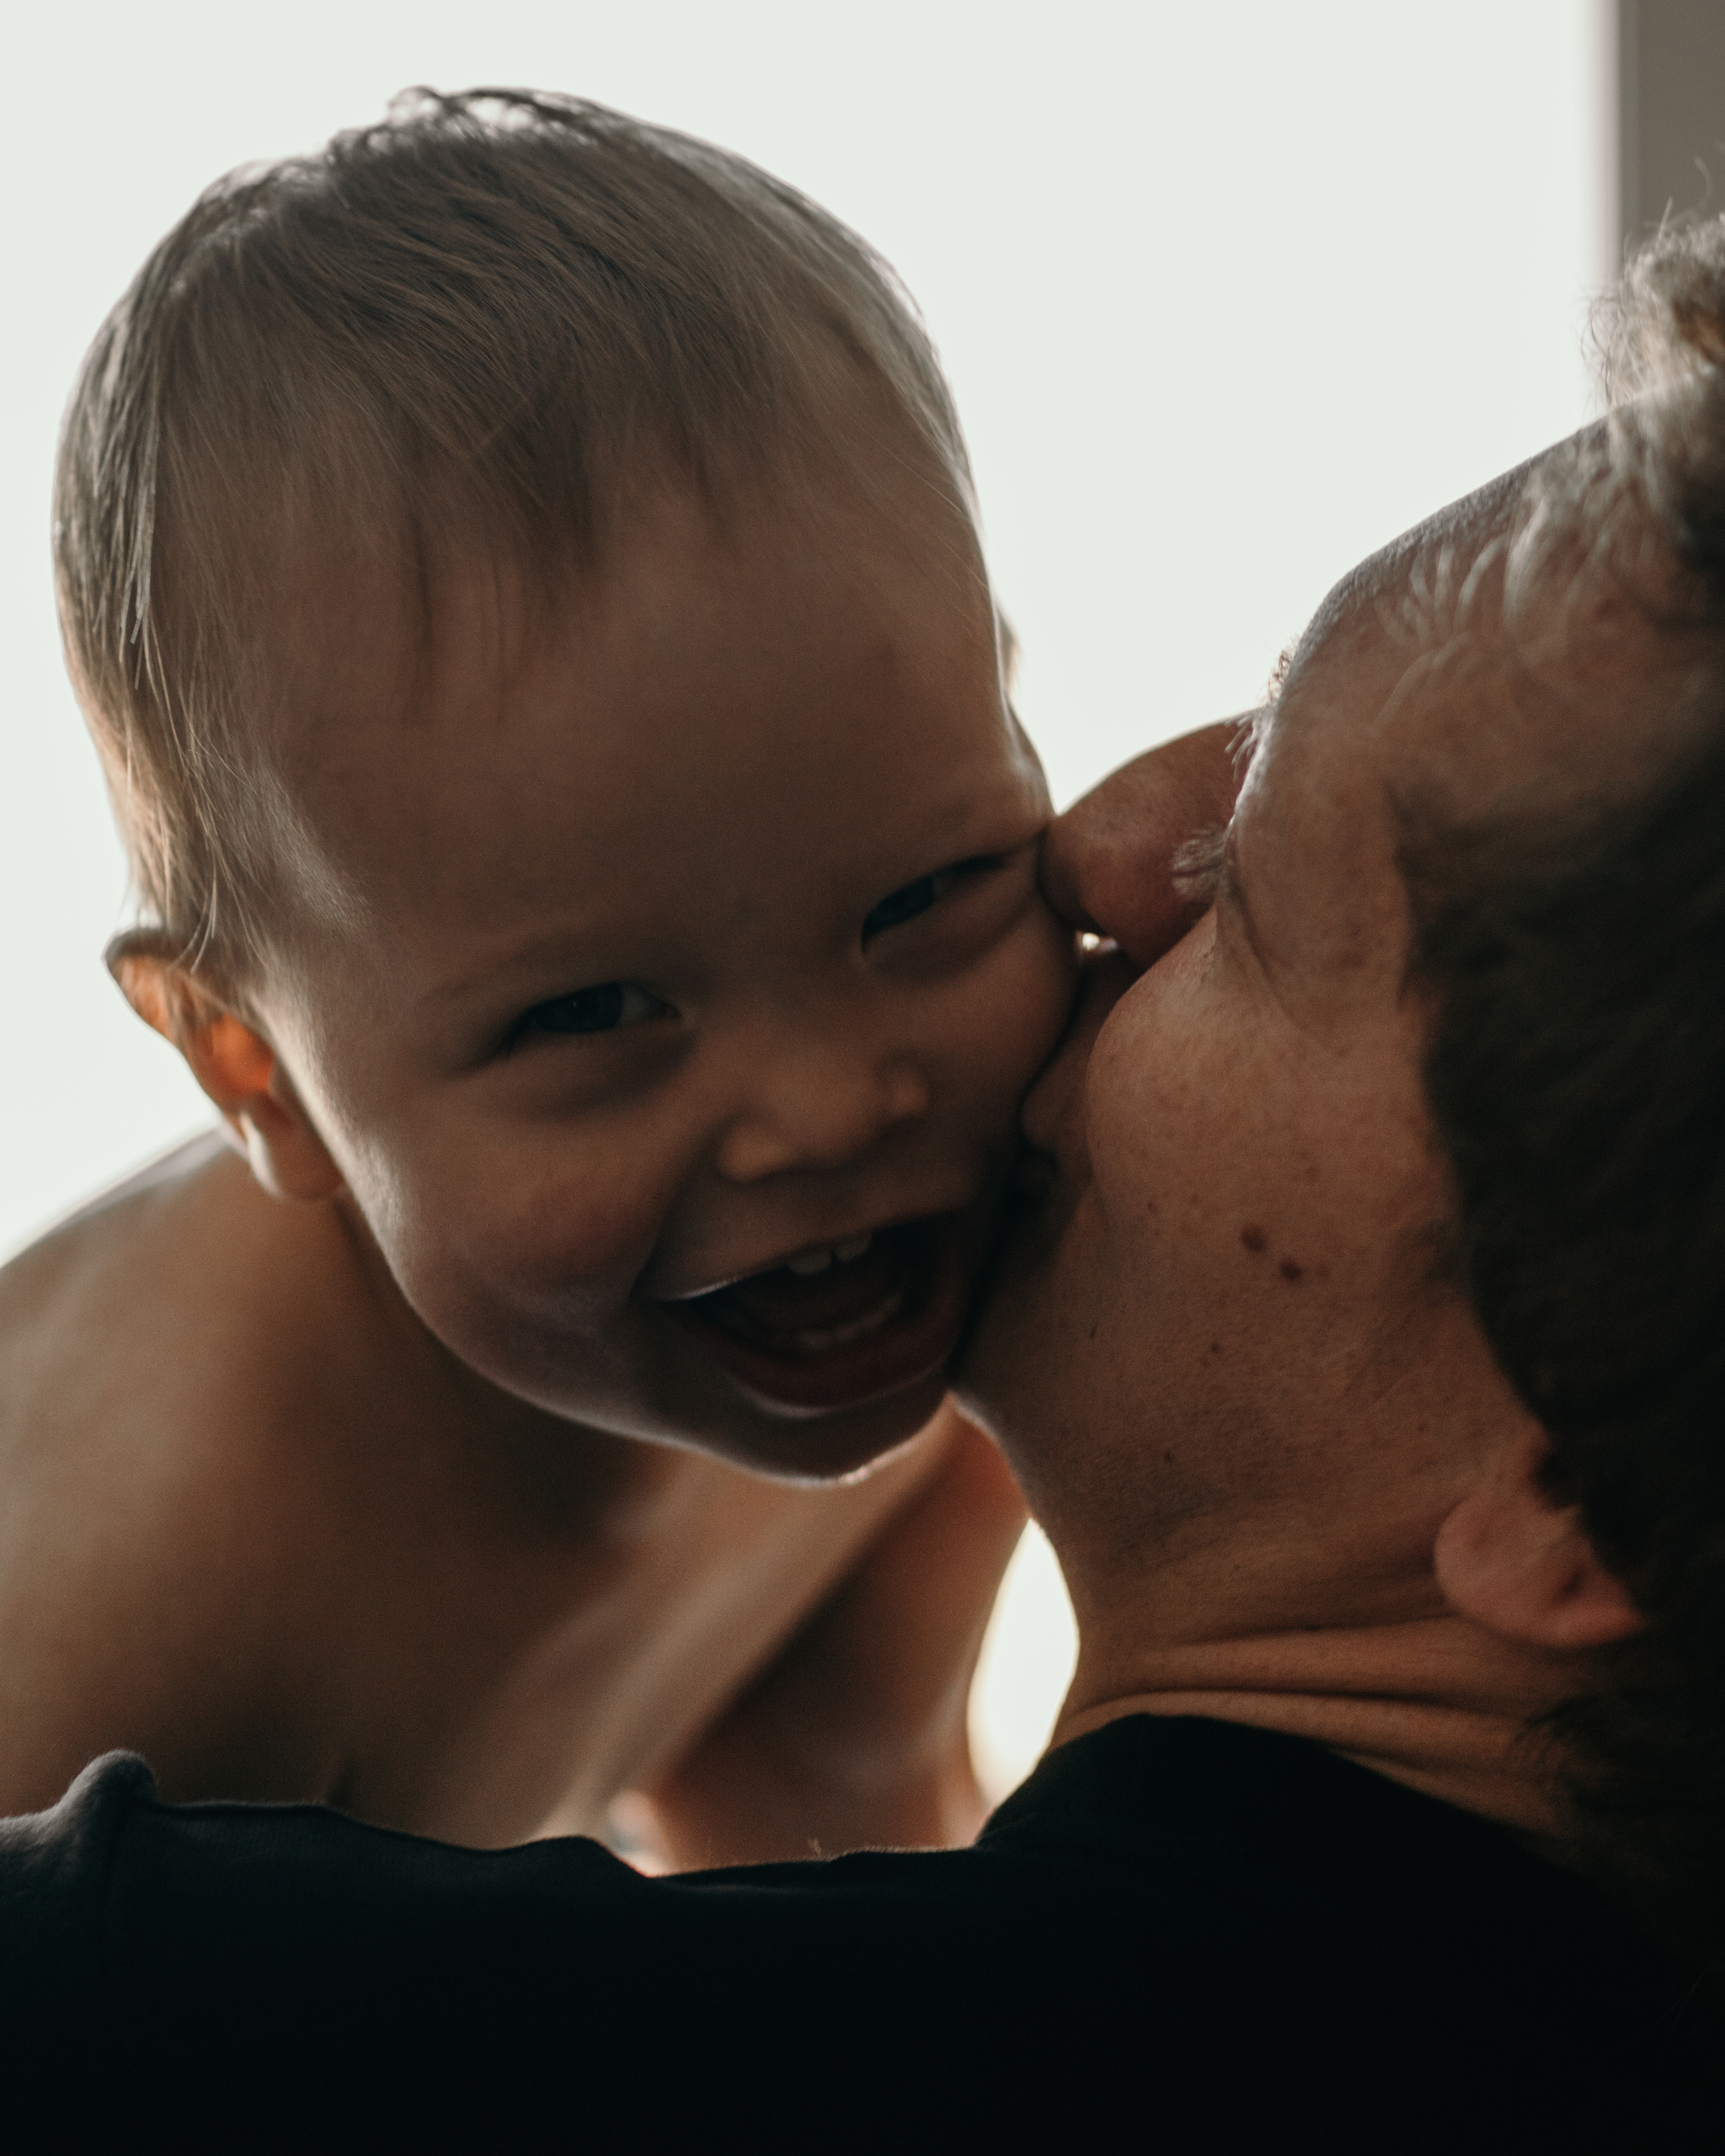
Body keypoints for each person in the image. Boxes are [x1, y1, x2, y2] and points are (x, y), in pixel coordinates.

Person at [8, 215, 1724, 2148]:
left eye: (1251, 882)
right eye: (582, 1011)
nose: (1089, 854)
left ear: (1574, 1491)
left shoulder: (132, 2002)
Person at [0, 90, 1069, 1856]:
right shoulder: (143, 1570)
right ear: (250, 1062)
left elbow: (840, 1860)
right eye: (588, 1014)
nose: (820, 1109)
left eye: (926, 890)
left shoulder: (937, 1321)